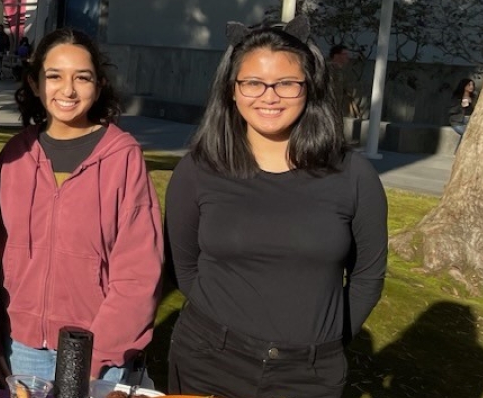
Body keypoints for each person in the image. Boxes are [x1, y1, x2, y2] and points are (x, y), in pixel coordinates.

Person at [165, 22, 387, 398]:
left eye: (286, 83)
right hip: (207, 361)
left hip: (308, 376)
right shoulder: (199, 170)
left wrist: (327, 340)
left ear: (309, 88)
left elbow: (367, 276)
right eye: (252, 82)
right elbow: (182, 267)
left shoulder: (353, 176)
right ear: (232, 91)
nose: (269, 96)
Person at [0, 28, 163, 385]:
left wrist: (96, 355)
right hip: (20, 351)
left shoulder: (122, 158)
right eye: (54, 76)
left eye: (81, 78)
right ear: (35, 84)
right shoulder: (14, 157)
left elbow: (138, 272)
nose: (67, 90)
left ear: (98, 85)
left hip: (98, 356)